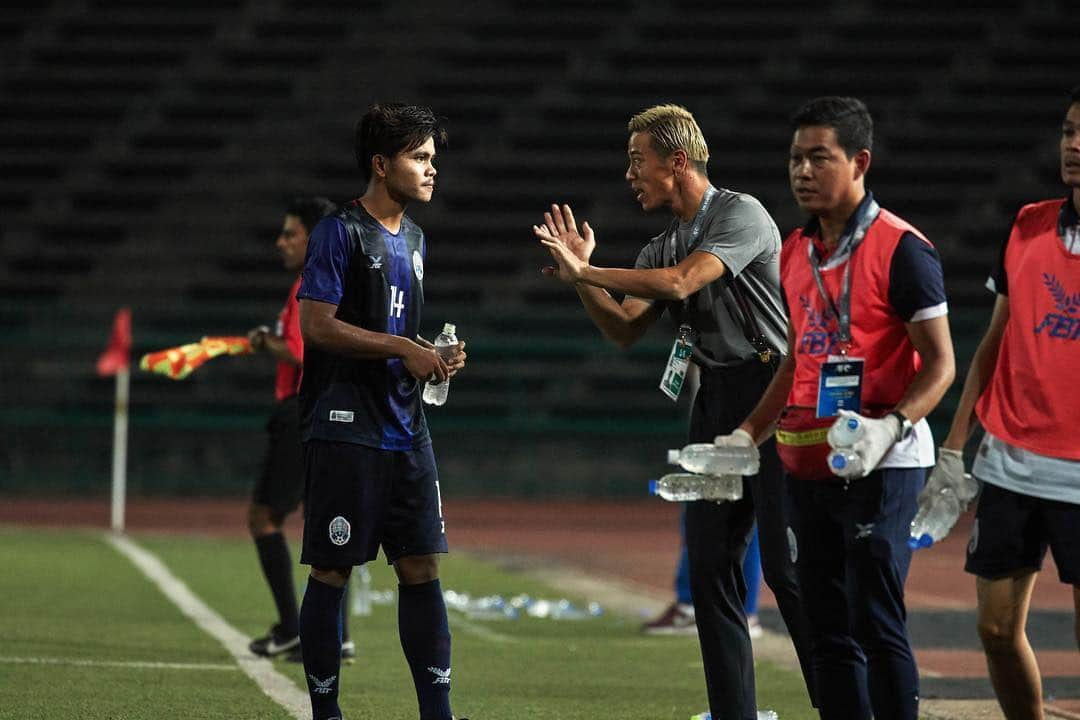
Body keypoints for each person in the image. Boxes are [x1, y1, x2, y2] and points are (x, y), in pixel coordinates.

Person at [536, 103, 815, 719]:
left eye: (639, 161)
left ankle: (841, 703)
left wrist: (589, 267)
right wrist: (583, 281)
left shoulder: (739, 214)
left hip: (773, 397)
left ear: (678, 162)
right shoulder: (659, 245)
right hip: (716, 401)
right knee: (713, 569)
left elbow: (684, 283)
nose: (629, 174)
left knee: (787, 573)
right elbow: (626, 329)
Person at [725, 96, 955, 720]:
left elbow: (941, 364)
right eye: (795, 158)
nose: (802, 171)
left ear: (860, 162)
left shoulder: (904, 249)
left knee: (873, 618)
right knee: (825, 625)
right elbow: (800, 358)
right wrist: (748, 433)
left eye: (818, 158)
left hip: (885, 460)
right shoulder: (795, 251)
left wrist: (891, 428)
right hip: (808, 462)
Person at [296, 103, 468, 720]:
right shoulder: (337, 233)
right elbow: (315, 325)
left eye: (432, 159)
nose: (431, 170)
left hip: (406, 427)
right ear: (380, 164)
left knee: (421, 565)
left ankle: (437, 714)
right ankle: (326, 712)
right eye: (419, 158)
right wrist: (401, 347)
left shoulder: (417, 238)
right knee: (334, 569)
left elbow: (396, 332)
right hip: (345, 426)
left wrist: (429, 355)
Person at [932, 86, 1080, 720]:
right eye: (1070, 131)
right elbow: (993, 343)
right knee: (994, 629)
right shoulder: (1027, 224)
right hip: (1012, 461)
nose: (1074, 145)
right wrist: (954, 446)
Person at [245, 196, 356, 662]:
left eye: (291, 233)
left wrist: (266, 342)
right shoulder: (342, 280)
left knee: (264, 517)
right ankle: (338, 633)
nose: (281, 241)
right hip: (334, 410)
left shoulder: (308, 284)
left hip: (301, 410)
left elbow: (302, 350)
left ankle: (293, 627)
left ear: (313, 238)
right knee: (325, 521)